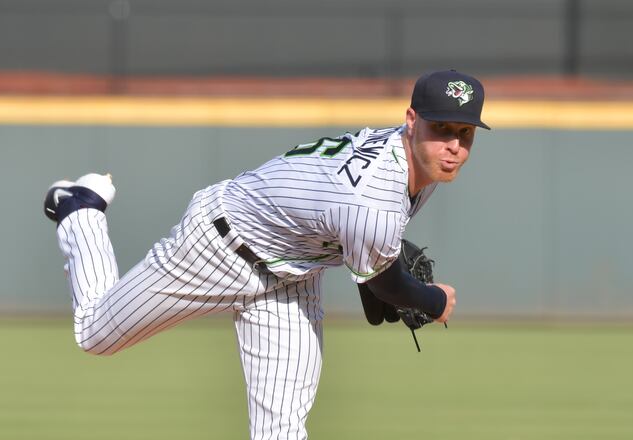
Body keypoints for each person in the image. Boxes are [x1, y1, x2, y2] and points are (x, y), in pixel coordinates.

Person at [42, 69, 490, 440]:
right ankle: (80, 209)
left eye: (464, 133)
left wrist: (381, 278)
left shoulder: (417, 161)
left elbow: (369, 265)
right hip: (217, 247)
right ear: (411, 120)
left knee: (282, 429)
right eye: (441, 129)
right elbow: (385, 282)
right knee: (96, 335)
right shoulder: (375, 197)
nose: (453, 145)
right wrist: (430, 300)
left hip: (293, 276)